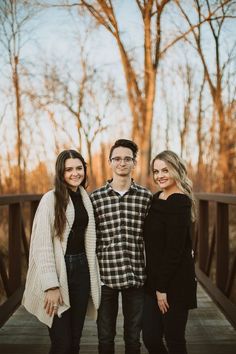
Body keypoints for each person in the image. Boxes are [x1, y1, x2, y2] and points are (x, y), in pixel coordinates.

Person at [22, 149, 101, 354]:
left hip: (82, 271)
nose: (75, 173)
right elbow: (41, 245)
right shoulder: (51, 199)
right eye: (69, 170)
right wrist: (51, 285)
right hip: (59, 272)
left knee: (74, 341)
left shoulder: (85, 198)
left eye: (79, 168)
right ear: (61, 173)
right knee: (62, 343)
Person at [90, 139, 152, 354]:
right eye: (117, 158)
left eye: (127, 159)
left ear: (134, 163)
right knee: (105, 338)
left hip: (135, 276)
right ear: (110, 162)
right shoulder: (96, 198)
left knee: (133, 338)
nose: (122, 163)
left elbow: (153, 237)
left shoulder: (145, 197)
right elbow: (90, 238)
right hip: (105, 277)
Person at [142, 150, 197, 354]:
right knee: (150, 337)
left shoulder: (180, 201)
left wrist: (162, 288)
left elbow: (174, 250)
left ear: (176, 170)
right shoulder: (157, 197)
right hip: (154, 281)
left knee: (174, 340)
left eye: (165, 170)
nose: (160, 176)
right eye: (156, 171)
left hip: (174, 284)